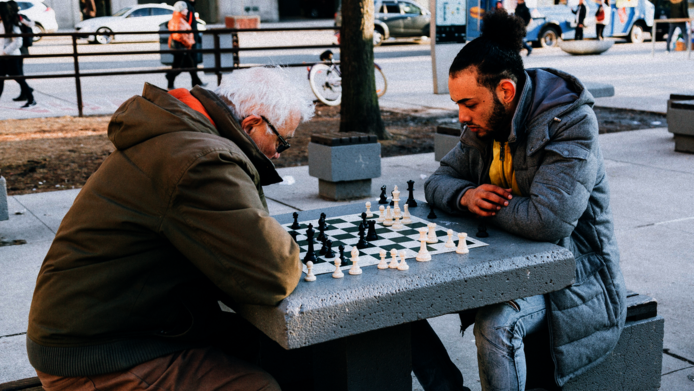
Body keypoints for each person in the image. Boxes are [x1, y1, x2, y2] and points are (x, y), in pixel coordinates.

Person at [26, 66, 315, 390]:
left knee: (247, 338)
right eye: (282, 142)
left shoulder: (178, 133)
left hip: (100, 329)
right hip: (95, 355)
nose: (278, 154)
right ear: (251, 124)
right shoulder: (201, 159)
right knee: (258, 387)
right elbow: (273, 273)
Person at [416, 10, 626, 391]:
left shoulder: (570, 122)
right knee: (403, 302)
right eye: (457, 104)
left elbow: (547, 221)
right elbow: (437, 182)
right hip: (508, 262)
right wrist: (467, 195)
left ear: (506, 91)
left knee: (496, 323)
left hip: (574, 274)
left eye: (468, 103)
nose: (461, 117)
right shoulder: (485, 125)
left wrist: (486, 207)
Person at [0, 1, 35, 107]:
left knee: (18, 78)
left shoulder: (12, 22)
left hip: (11, 56)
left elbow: (18, 41)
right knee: (1, 78)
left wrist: (5, 52)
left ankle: (31, 99)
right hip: (4, 56)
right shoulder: (2, 23)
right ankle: (30, 97)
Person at [165, 1, 205, 90]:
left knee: (188, 64)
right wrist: (188, 44)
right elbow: (180, 35)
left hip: (181, 47)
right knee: (178, 66)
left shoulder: (180, 18)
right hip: (180, 47)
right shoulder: (179, 20)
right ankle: (170, 80)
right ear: (181, 10)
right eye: (185, 9)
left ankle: (196, 82)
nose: (187, 10)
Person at [9, 0, 34, 102]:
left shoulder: (20, 16)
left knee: (16, 73)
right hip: (15, 49)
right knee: (17, 73)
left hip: (20, 48)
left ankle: (26, 91)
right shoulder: (7, 17)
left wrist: (22, 20)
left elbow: (31, 24)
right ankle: (25, 91)